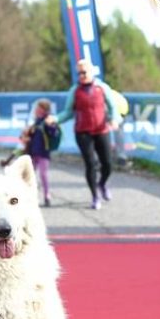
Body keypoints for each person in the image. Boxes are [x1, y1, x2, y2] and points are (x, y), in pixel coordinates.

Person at [48, 58, 118, 210]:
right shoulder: (75, 91)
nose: (82, 75)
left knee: (107, 164)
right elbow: (67, 112)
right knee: (90, 164)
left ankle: (102, 184)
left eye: (84, 72)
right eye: (79, 73)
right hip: (83, 132)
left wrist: (115, 120)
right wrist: (55, 119)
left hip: (101, 130)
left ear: (92, 71)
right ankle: (95, 196)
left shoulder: (102, 88)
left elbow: (113, 108)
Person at [0, 98, 61, 206]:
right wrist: (25, 136)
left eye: (40, 108)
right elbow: (28, 136)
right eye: (37, 108)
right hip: (32, 153)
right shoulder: (35, 122)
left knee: (43, 175)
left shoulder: (48, 122)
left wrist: (50, 125)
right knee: (29, 175)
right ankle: (28, 196)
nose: (37, 110)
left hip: (43, 153)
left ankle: (47, 195)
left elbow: (53, 134)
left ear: (45, 110)